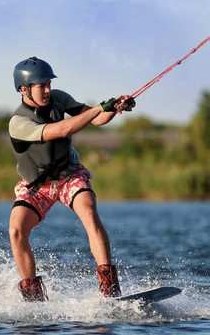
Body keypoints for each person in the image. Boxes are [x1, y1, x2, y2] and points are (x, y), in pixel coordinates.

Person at [8, 56, 135, 302]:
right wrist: (100, 106)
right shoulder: (19, 122)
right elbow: (63, 130)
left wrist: (114, 109)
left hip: (69, 174)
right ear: (24, 90)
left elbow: (96, 119)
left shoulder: (59, 98)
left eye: (48, 84)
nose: (47, 90)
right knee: (16, 231)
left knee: (89, 211)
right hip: (38, 185)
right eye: (40, 86)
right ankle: (33, 299)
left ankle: (109, 290)